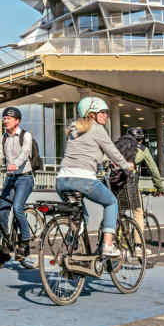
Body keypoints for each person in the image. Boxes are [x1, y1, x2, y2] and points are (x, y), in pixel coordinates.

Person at [56, 96, 133, 257]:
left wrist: (106, 161)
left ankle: (70, 248)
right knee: (111, 202)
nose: (106, 115)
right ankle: (108, 244)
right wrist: (126, 166)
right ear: (91, 114)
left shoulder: (74, 129)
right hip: (83, 180)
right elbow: (113, 151)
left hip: (62, 180)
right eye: (103, 112)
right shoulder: (97, 129)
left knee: (81, 215)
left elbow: (87, 152)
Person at [0, 107, 35, 263]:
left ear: (17, 121)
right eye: (4, 118)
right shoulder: (3, 138)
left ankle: (25, 242)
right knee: (2, 213)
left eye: (8, 118)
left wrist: (16, 164)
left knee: (18, 208)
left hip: (25, 178)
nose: (5, 120)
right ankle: (5, 248)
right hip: (10, 179)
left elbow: (25, 152)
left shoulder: (26, 135)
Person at [112, 127, 164, 245]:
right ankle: (138, 246)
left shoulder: (117, 145)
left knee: (118, 212)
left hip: (113, 183)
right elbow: (153, 169)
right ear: (140, 140)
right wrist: (159, 187)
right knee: (138, 212)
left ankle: (113, 241)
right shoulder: (142, 149)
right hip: (129, 183)